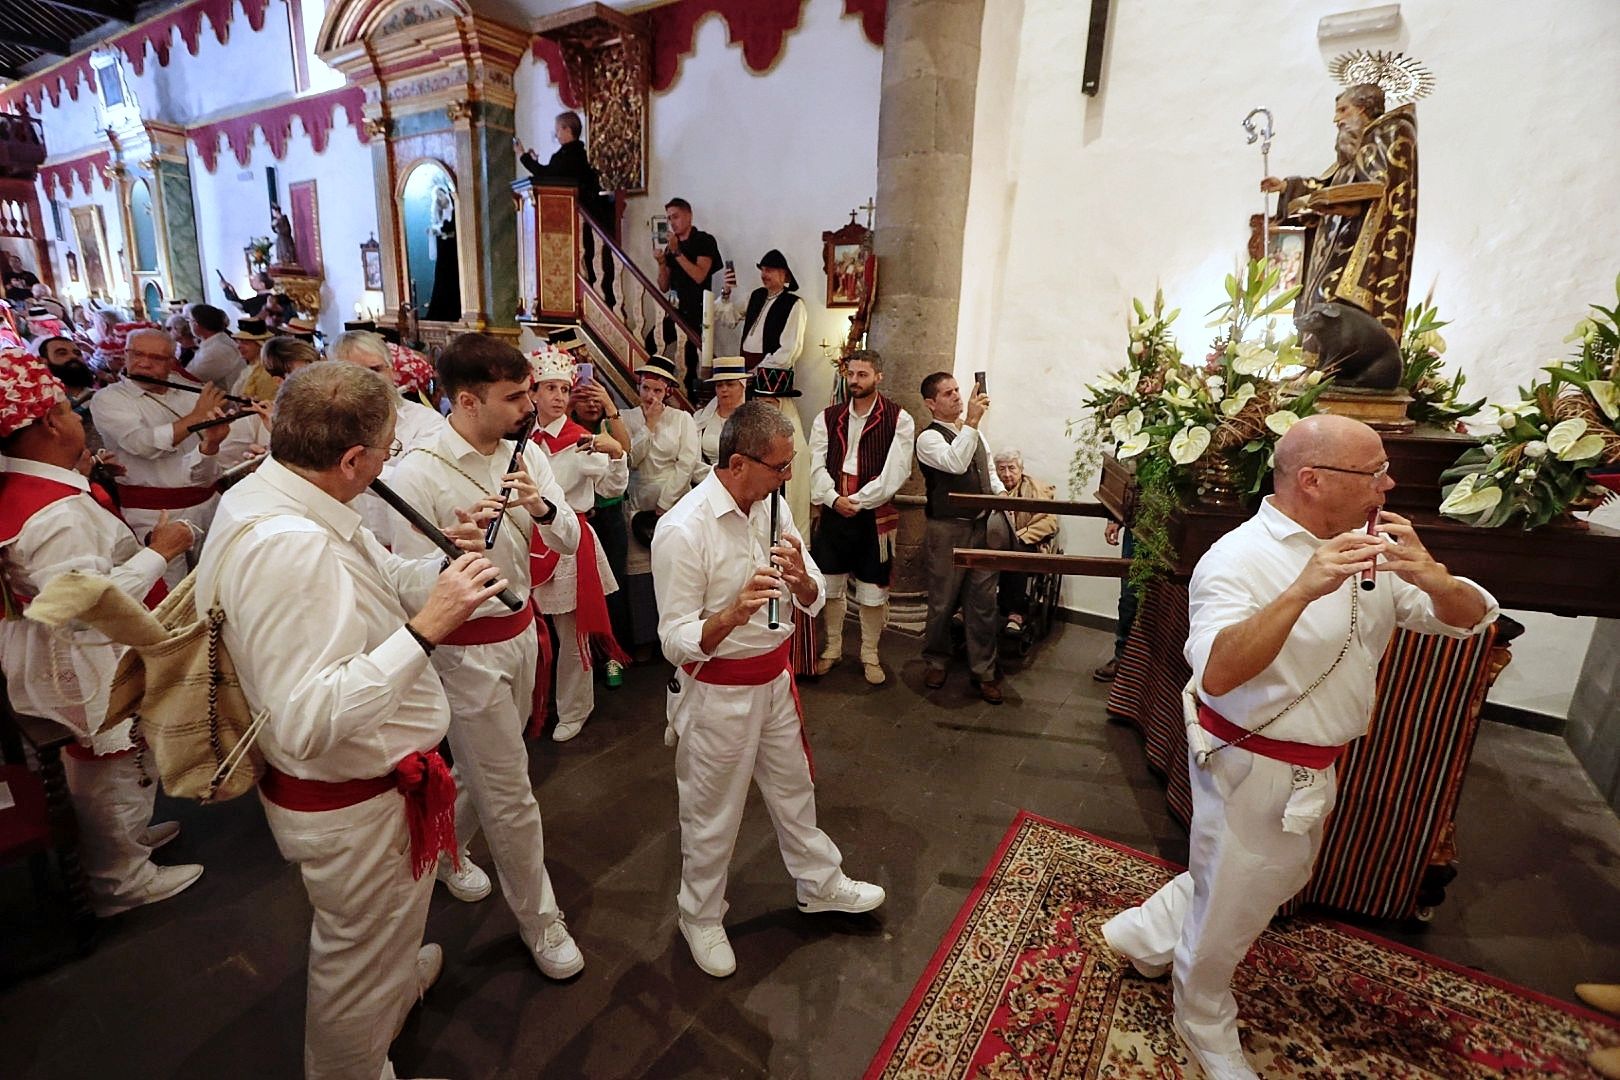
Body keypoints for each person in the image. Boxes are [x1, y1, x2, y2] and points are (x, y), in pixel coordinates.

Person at [1099, 414, 1497, 1080]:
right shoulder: (1237, 557)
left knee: (1267, 877)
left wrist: (1431, 575)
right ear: (1312, 480)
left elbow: (1469, 620)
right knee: (1231, 907)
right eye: (1374, 473)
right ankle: (1200, 1014)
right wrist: (1304, 586)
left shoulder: (1369, 543)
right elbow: (1219, 672)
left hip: (1318, 764)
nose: (1389, 483)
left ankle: (1142, 935)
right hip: (1248, 762)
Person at [196, 361, 502, 1080]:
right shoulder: (288, 546)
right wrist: (428, 630)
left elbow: (379, 582)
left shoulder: (290, 495)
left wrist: (442, 570)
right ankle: (351, 1061)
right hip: (352, 800)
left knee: (380, 940)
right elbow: (304, 718)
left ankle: (392, 985)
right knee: (352, 962)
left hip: (374, 785)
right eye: (390, 447)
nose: (391, 459)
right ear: (353, 459)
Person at [652, 400, 886, 978]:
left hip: (775, 681)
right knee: (712, 812)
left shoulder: (773, 506)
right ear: (737, 463)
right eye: (780, 467)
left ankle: (819, 884)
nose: (789, 477)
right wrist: (729, 616)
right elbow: (673, 639)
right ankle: (700, 916)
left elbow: (806, 600)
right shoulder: (683, 530)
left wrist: (805, 579)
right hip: (717, 693)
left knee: (794, 789)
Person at [385, 333, 588, 978]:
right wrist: (445, 552)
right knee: (511, 792)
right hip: (465, 654)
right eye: (516, 396)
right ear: (466, 401)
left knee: (488, 768)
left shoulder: (525, 453)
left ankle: (448, 853)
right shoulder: (413, 474)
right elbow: (393, 578)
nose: (530, 406)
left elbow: (571, 536)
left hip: (522, 633)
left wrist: (541, 504)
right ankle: (542, 922)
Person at [0, 347, 204, 917]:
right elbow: (88, 602)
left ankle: (124, 844)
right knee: (113, 763)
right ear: (46, 422)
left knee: (115, 763)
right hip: (88, 656)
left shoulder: (39, 488)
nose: (77, 418)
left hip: (70, 650)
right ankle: (121, 878)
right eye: (68, 410)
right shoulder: (56, 513)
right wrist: (160, 555)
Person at [524, 343, 629, 742]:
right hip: (529, 539)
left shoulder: (582, 438)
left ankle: (574, 708)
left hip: (570, 542)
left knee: (573, 632)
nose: (557, 397)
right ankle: (533, 706)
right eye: (549, 388)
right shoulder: (522, 441)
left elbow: (612, 486)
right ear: (533, 393)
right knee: (529, 630)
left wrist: (616, 454)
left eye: (563, 390)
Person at [1263, 81, 1418, 341]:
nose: (1337, 120)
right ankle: (1319, 367)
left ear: (1364, 109)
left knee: (1340, 311)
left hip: (1360, 249)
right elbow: (1325, 185)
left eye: (1343, 110)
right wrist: (1287, 187)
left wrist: (1347, 205)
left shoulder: (1390, 133)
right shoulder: (1351, 158)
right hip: (1332, 248)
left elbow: (1381, 189)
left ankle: (1340, 368)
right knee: (1319, 302)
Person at [88, 327, 229, 585]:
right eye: (137, 354)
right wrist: (197, 417)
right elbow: (142, 444)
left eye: (156, 359)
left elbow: (210, 443)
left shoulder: (189, 389)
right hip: (152, 514)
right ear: (126, 355)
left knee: (215, 580)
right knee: (170, 591)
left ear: (171, 362)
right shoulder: (108, 399)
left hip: (207, 504)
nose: (144, 363)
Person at [808, 350, 915, 685]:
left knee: (872, 588)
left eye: (862, 375)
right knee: (832, 583)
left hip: (873, 513)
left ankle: (869, 652)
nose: (854, 381)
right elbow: (814, 464)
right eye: (850, 374)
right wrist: (832, 498)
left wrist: (857, 500)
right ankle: (833, 647)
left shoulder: (899, 418)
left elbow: (896, 472)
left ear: (878, 376)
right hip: (834, 509)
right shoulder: (826, 417)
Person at [916, 371, 1006, 703]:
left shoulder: (974, 434)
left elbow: (988, 469)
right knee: (942, 599)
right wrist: (972, 422)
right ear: (931, 403)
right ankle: (937, 660)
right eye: (948, 393)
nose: (956, 396)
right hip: (948, 528)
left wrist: (999, 495)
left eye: (957, 390)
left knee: (983, 602)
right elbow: (955, 464)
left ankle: (984, 670)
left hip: (982, 526)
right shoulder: (928, 439)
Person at [330, 330, 448, 546]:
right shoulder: (325, 426)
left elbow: (421, 484)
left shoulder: (426, 422)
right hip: (347, 547)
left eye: (375, 369)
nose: (369, 380)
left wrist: (341, 470)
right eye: (353, 373)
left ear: (391, 371)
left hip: (409, 549)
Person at [621, 354, 700, 649]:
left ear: (668, 390)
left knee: (672, 566)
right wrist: (648, 426)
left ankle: (675, 635)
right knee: (640, 569)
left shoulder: (683, 419)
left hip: (673, 500)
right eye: (645, 388)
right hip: (636, 500)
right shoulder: (625, 418)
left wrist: (667, 502)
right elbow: (630, 460)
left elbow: (688, 462)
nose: (650, 396)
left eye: (657, 390)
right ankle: (644, 639)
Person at [569, 377, 633, 684]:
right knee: (577, 591)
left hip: (608, 517)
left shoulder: (609, 428)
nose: (592, 404)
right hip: (575, 521)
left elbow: (626, 449)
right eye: (585, 398)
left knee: (614, 588)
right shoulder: (564, 430)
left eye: (597, 398)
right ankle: (583, 657)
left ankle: (613, 656)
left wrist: (609, 405)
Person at [518, 110, 615, 298]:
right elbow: (551, 176)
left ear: (567, 129)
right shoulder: (576, 155)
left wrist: (523, 156)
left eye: (558, 130)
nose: (556, 135)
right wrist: (535, 163)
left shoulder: (569, 156)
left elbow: (547, 175)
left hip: (575, 223)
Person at [652, 197, 721, 396]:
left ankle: (690, 403)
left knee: (690, 362)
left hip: (696, 313)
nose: (672, 222)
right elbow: (664, 286)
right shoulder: (670, 246)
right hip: (675, 311)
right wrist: (662, 263)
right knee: (652, 343)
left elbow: (699, 275)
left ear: (689, 216)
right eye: (668, 218)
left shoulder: (704, 240)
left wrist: (677, 252)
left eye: (675, 216)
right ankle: (663, 391)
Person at [217, 336, 319, 470]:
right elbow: (218, 466)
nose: (317, 381)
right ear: (279, 381)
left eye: (318, 371)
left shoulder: (334, 410)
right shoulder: (255, 418)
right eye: (303, 376)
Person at [990, 447, 1059, 635]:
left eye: (1011, 468)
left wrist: (1019, 535)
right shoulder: (992, 488)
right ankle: (969, 608)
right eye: (1001, 469)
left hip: (1025, 542)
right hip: (995, 543)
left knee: (1017, 554)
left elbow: (1049, 521)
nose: (1006, 474)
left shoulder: (1036, 488)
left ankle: (1015, 613)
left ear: (1021, 469)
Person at [715, 249, 805, 373]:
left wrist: (760, 369)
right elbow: (729, 319)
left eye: (768, 270)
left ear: (783, 274)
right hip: (744, 366)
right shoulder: (755, 296)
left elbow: (790, 348)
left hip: (772, 372)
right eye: (762, 270)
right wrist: (725, 293)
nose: (763, 275)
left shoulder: (794, 304)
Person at [691, 355, 750, 480]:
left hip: (744, 482)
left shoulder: (754, 420)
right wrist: (716, 479)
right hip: (706, 480)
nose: (724, 389)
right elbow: (693, 461)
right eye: (719, 385)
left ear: (742, 386)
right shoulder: (701, 418)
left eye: (730, 384)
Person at [1095, 519, 1137, 682]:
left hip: (1174, 526)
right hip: (1138, 527)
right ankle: (1121, 657)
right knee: (1129, 597)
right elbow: (1127, 492)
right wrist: (1116, 519)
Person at [186, 304, 244, 391]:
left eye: (189, 320)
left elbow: (190, 379)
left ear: (196, 324)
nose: (189, 324)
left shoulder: (216, 350)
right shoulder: (217, 341)